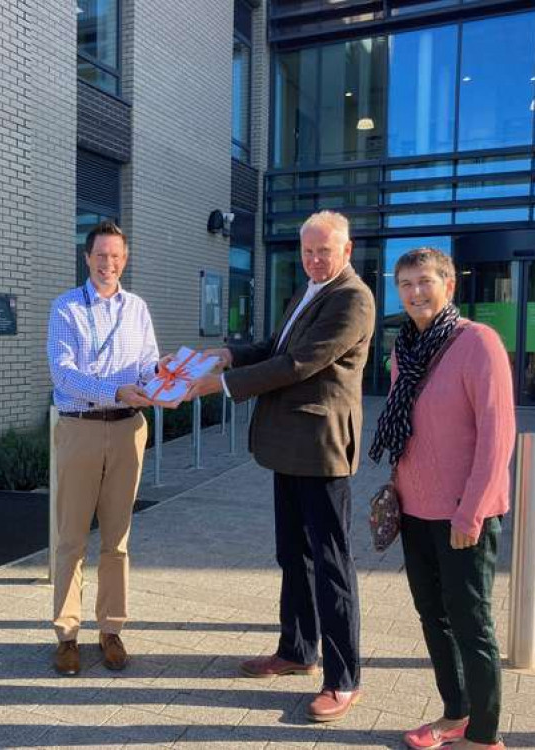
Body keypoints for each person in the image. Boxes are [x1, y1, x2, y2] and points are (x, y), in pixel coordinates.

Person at [187, 210, 375, 723]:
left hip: (320, 451)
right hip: (288, 450)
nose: (314, 259)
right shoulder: (307, 290)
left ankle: (344, 679)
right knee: (293, 554)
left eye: (324, 251)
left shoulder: (352, 299)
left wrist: (220, 386)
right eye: (308, 251)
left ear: (346, 250)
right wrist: (228, 354)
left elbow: (299, 364)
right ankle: (297, 650)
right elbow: (275, 347)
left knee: (332, 566)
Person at [369, 248, 515, 750]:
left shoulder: (479, 343)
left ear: (449, 285)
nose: (414, 292)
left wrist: (471, 511)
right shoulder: (403, 348)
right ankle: (456, 714)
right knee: (433, 616)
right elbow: (408, 424)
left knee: (472, 624)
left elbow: (498, 437)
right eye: (405, 283)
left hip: (461, 513)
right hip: (414, 508)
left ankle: (485, 735)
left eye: (425, 281)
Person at [46, 220, 159, 676]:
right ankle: (67, 635)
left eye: (116, 256)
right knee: (71, 539)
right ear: (86, 257)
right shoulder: (66, 308)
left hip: (129, 428)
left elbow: (149, 363)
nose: (108, 263)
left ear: (124, 260)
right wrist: (118, 389)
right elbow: (64, 374)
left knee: (117, 540)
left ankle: (110, 629)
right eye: (100, 255)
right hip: (81, 429)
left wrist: (166, 375)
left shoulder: (138, 309)